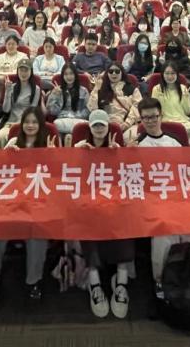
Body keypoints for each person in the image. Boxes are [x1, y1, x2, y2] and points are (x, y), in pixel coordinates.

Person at [130, 98, 190, 296]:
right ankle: (161, 281)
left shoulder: (174, 141)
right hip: (153, 198)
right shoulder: (137, 145)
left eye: (154, 116)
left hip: (178, 195)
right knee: (164, 230)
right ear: (141, 119)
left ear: (161, 116)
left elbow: (186, 171)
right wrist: (128, 153)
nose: (150, 121)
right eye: (146, 118)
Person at [0, 106, 56, 301]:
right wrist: (7, 155)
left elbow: (57, 177)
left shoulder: (48, 144)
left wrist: (53, 156)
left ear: (40, 125)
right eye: (27, 122)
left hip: (38, 202)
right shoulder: (13, 142)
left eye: (34, 122)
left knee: (37, 232)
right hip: (13, 201)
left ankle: (34, 281)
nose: (30, 126)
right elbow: (1, 174)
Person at [71, 109, 133, 318]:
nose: (99, 129)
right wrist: (80, 156)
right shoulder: (80, 147)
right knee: (87, 219)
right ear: (90, 128)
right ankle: (94, 282)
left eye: (102, 125)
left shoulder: (116, 148)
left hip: (113, 202)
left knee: (125, 218)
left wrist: (118, 156)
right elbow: (70, 176)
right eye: (95, 125)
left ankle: (121, 281)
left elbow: (128, 179)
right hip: (88, 203)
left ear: (108, 128)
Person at [88, 63, 142, 143]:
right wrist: (96, 88)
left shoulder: (132, 89)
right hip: (104, 124)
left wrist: (127, 123)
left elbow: (137, 106)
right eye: (111, 71)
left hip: (126, 123)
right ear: (107, 73)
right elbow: (92, 108)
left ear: (122, 73)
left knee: (132, 137)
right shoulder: (101, 88)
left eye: (117, 71)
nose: (114, 73)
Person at [150, 62, 190, 146]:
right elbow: (155, 112)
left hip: (183, 122)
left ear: (177, 74)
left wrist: (185, 98)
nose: (170, 76)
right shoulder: (157, 89)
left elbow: (187, 112)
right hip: (164, 122)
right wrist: (160, 98)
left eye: (173, 73)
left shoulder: (183, 88)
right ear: (163, 74)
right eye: (167, 73)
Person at [0, 61, 42, 145]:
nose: (23, 73)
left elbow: (32, 111)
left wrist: (21, 123)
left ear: (31, 72)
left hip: (27, 123)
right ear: (17, 71)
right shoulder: (12, 87)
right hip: (11, 123)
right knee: (1, 136)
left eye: (26, 70)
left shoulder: (36, 89)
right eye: (21, 70)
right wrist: (8, 91)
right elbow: (6, 110)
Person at [47, 62, 90, 137]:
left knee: (83, 126)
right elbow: (52, 112)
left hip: (79, 119)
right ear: (63, 76)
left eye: (71, 74)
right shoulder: (58, 90)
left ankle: (69, 138)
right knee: (56, 124)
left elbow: (88, 110)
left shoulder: (83, 91)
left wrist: (75, 116)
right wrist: (54, 95)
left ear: (75, 75)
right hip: (62, 120)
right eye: (66, 74)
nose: (69, 77)